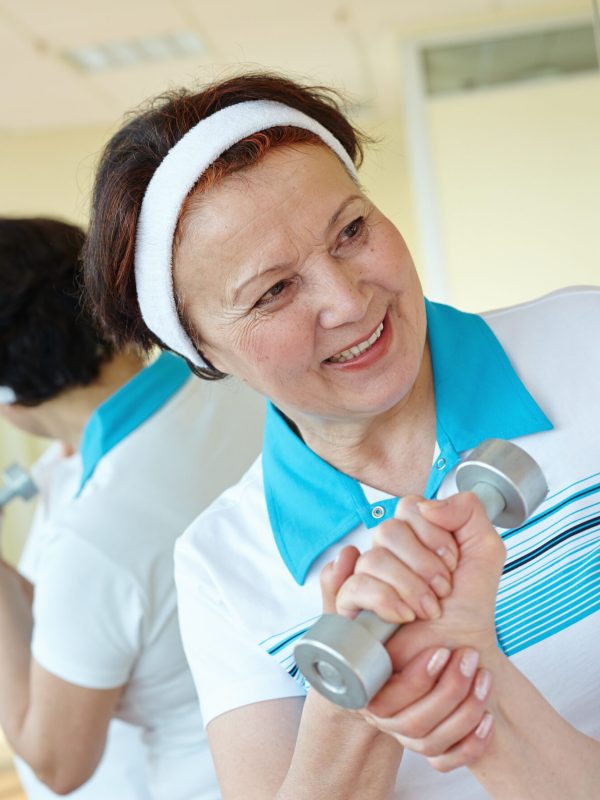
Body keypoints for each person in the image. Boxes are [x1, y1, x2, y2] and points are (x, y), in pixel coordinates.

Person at [82, 73, 600, 800]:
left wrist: (477, 692)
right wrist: (353, 693)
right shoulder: (223, 569)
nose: (348, 301)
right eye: (273, 291)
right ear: (205, 358)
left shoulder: (588, 346)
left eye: (351, 231)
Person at [0, 217, 264, 799]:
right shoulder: (242, 376)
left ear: (12, 400)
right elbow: (119, 614)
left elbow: (56, 763)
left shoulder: (94, 536)